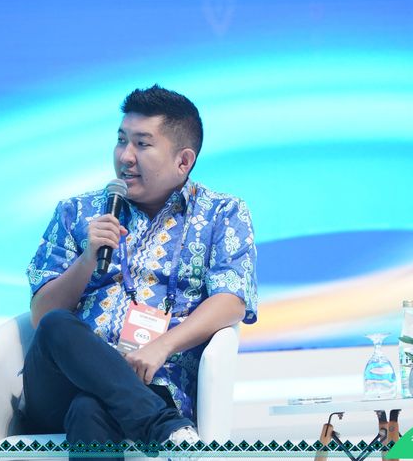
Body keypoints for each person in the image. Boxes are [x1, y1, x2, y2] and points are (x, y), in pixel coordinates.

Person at [23, 85, 257, 451]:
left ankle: (157, 419)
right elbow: (42, 315)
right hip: (60, 384)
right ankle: (168, 431)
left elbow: (232, 300)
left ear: (184, 161)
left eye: (142, 144)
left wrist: (162, 346)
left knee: (90, 409)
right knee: (56, 324)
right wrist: (87, 259)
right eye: (121, 141)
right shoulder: (76, 212)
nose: (125, 157)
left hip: (155, 382)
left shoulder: (221, 214)